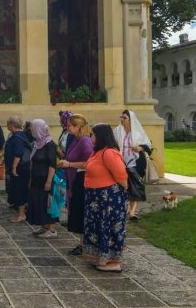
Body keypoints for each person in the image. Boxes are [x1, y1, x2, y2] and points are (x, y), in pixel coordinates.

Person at [83, 124, 129, 272]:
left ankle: (113, 261)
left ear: (101, 136)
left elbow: (122, 177)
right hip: (96, 199)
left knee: (108, 227)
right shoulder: (97, 152)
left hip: (108, 199)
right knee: (98, 227)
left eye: (93, 134)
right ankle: (101, 257)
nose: (91, 137)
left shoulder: (109, 153)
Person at [56, 114, 96, 255]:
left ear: (78, 127)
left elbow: (89, 163)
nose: (68, 127)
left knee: (81, 212)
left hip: (81, 179)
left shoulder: (85, 141)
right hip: (74, 179)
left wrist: (69, 164)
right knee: (77, 212)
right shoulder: (75, 139)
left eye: (71, 125)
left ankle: (84, 244)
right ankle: (81, 243)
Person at [116, 109, 153, 221]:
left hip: (136, 163)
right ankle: (125, 208)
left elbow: (148, 146)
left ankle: (132, 212)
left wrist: (140, 148)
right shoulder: (118, 131)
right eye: (121, 117)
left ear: (130, 120)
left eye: (125, 118)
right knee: (123, 186)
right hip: (121, 162)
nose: (122, 120)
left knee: (135, 186)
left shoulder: (137, 132)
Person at [25, 119, 59, 238]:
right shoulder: (38, 143)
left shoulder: (49, 144)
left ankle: (52, 229)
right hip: (36, 180)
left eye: (33, 127)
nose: (31, 130)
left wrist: (49, 181)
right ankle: (43, 226)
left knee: (47, 204)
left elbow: (52, 164)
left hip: (45, 180)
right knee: (39, 204)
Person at [3, 115, 31, 222]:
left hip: (20, 169)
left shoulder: (17, 137)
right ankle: (21, 213)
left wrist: (14, 168)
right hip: (22, 168)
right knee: (19, 189)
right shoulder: (20, 135)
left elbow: (18, 153)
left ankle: (21, 214)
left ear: (11, 125)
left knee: (20, 190)